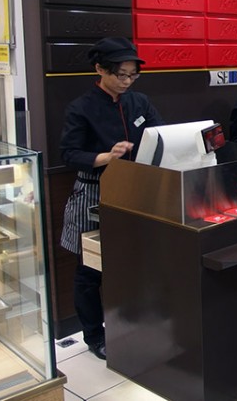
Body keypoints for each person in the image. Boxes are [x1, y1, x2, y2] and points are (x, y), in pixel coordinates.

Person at [60, 37, 162, 360]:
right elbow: (69, 154)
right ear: (100, 69)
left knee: (132, 261)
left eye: (133, 75)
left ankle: (131, 321)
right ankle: (94, 335)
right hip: (94, 190)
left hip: (136, 190)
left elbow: (159, 135)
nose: (128, 81)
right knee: (90, 269)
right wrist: (106, 156)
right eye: (122, 75)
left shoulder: (140, 102)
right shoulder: (81, 108)